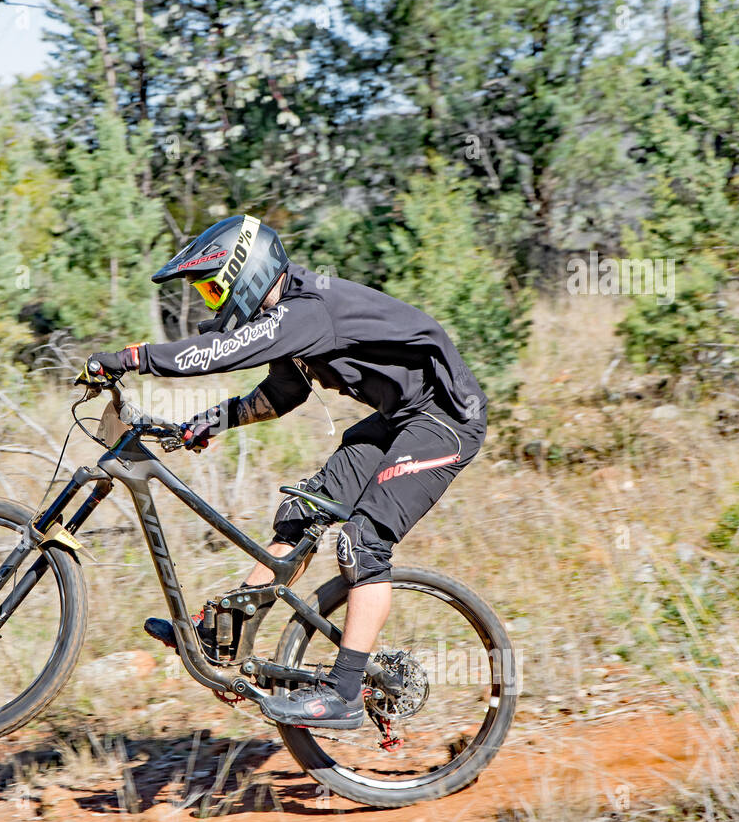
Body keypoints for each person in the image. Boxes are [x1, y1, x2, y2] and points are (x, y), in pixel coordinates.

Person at [86, 215, 487, 730]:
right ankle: (227, 630)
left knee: (362, 542)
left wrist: (133, 358)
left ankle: (343, 693)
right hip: (398, 419)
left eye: (213, 289)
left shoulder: (306, 312)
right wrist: (210, 421)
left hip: (447, 420)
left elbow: (221, 353)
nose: (213, 303)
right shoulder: (291, 311)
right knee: (301, 514)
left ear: (245, 270)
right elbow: (283, 393)